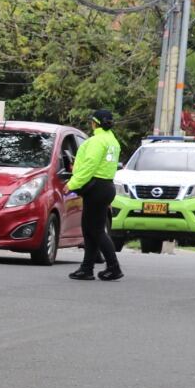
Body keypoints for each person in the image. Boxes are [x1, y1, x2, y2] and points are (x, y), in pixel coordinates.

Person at [67, 109, 124, 282]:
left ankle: (113, 267)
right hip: (106, 186)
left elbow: (89, 165)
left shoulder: (97, 141)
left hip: (96, 187)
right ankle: (87, 268)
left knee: (96, 230)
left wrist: (72, 184)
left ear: (95, 123)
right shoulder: (113, 141)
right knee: (89, 229)